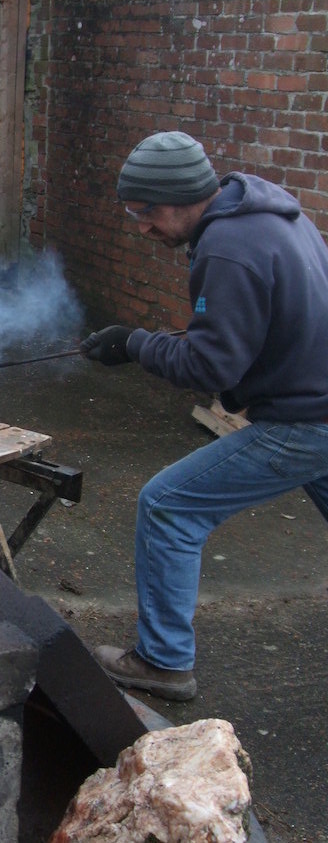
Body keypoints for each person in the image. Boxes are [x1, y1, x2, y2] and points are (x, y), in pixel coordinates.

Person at [81, 130, 328, 701]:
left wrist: (135, 344)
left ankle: (164, 661)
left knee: (168, 505)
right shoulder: (271, 213)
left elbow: (212, 366)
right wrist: (146, 340)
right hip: (319, 401)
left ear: (183, 196)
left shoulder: (227, 250)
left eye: (147, 213)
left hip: (306, 420)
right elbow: (241, 338)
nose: (141, 226)